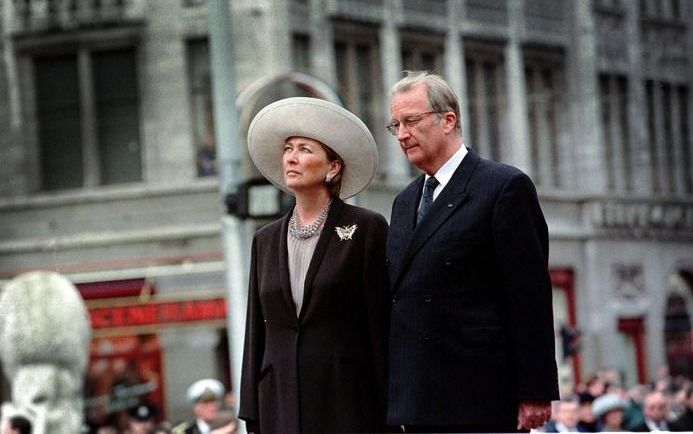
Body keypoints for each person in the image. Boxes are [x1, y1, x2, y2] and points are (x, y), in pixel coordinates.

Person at [385, 71, 559, 433]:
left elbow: (529, 297)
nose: (402, 134)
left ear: (448, 120)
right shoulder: (404, 203)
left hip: (481, 399)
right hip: (418, 404)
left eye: (411, 121)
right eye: (395, 125)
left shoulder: (503, 187)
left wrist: (535, 391)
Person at [239, 97, 390, 434]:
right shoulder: (264, 239)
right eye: (288, 149)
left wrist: (394, 409)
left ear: (332, 167)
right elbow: (256, 332)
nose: (291, 158)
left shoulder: (366, 228)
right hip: (279, 404)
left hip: (347, 402)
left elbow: (381, 326)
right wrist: (251, 409)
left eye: (305, 149)